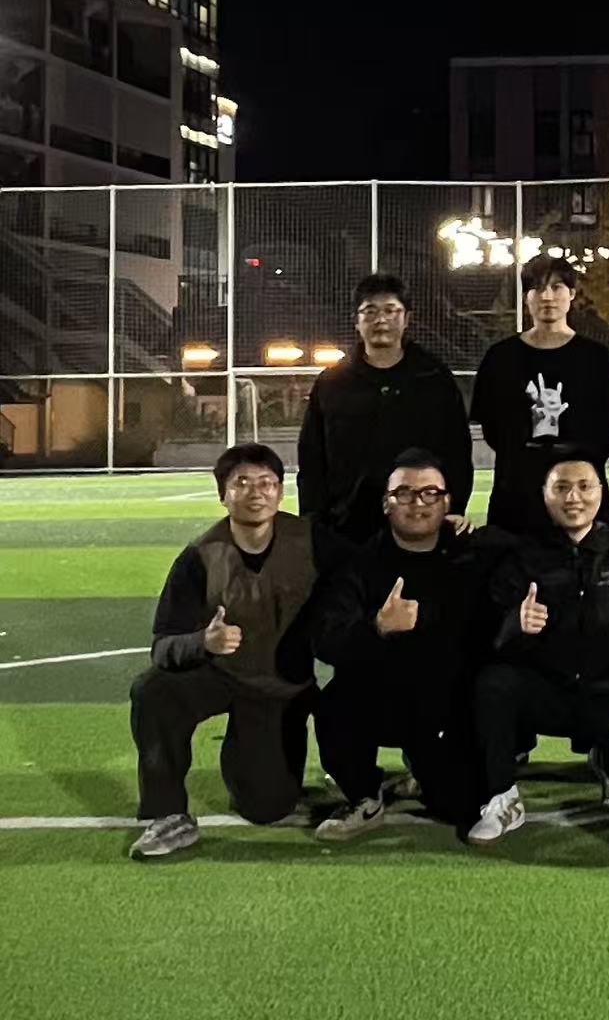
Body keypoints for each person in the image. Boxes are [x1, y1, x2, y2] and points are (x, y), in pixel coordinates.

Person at [129, 444, 349, 859]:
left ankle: (248, 760)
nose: (255, 492)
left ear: (281, 492)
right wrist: (203, 642)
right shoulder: (200, 556)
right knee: (153, 690)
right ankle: (167, 813)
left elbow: (370, 568)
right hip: (221, 677)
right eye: (242, 482)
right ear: (223, 494)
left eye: (267, 482)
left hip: (280, 688)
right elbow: (163, 646)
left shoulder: (313, 540)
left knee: (267, 807)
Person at [466, 448, 609, 845]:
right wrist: (513, 623)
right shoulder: (523, 556)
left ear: (601, 492)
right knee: (493, 683)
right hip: (546, 695)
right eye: (562, 488)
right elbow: (482, 631)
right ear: (545, 494)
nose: (574, 497)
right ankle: (503, 798)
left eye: (585, 486)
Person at [311, 448, 499, 840]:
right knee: (335, 701)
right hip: (381, 698)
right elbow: (326, 638)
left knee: (459, 805)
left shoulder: (472, 553)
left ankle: (425, 772)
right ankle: (363, 795)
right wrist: (377, 628)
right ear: (386, 503)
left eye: (431, 493)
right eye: (404, 494)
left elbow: (538, 545)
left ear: (447, 502)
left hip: (447, 706)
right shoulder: (360, 563)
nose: (418, 503)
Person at [298, 273, 473, 542]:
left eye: (391, 310)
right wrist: (313, 519)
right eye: (370, 311)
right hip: (347, 529)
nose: (381, 319)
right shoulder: (332, 383)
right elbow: (312, 458)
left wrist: (455, 507)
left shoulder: (433, 378)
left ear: (407, 319)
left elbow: (457, 450)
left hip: (421, 524)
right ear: (356, 321)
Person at [471, 254, 609, 537]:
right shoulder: (501, 358)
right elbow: (492, 428)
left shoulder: (596, 359)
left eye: (556, 287)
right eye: (538, 288)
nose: (547, 297)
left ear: (572, 293)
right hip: (515, 499)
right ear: (526, 297)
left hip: (580, 499)